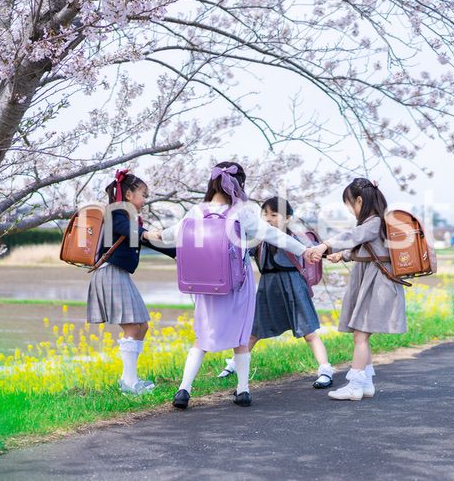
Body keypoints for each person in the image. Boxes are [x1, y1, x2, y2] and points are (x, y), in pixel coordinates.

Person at [162, 162, 316, 409]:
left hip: (206, 286)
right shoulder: (241, 213)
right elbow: (274, 235)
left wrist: (152, 234)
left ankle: (184, 390)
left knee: (202, 338)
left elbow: (170, 235)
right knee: (241, 338)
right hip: (237, 285)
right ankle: (243, 390)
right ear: (239, 184)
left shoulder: (196, 211)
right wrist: (304, 250)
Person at [217, 196, 334, 388]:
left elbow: (313, 253)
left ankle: (325, 370)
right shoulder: (259, 239)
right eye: (265, 214)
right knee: (252, 332)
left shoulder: (295, 238)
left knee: (309, 332)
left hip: (293, 286)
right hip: (268, 287)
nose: (269, 218)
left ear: (288, 218)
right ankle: (234, 365)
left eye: (274, 214)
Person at [307, 178, 406, 401]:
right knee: (362, 334)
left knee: (360, 335)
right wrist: (341, 255)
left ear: (359, 201)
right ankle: (366, 384)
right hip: (373, 280)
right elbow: (365, 249)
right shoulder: (376, 223)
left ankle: (354, 385)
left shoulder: (374, 222)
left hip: (377, 284)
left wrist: (325, 245)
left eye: (349, 205)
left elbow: (351, 237)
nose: (350, 211)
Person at [86, 170, 175, 395]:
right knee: (133, 326)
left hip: (118, 274)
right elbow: (132, 232)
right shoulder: (116, 213)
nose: (145, 200)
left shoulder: (128, 217)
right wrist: (146, 234)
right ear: (128, 195)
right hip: (110, 273)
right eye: (143, 195)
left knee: (141, 325)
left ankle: (130, 379)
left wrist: (180, 254)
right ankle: (128, 383)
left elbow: (145, 238)